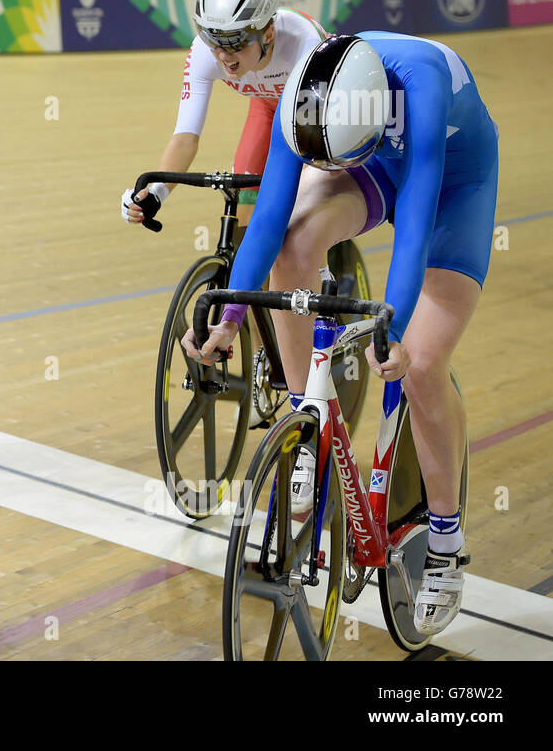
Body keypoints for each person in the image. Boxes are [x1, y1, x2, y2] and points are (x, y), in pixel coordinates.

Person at [182, 31, 500, 637]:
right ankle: (307, 420)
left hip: (455, 179)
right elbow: (270, 217)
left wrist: (395, 330)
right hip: (371, 158)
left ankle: (445, 542)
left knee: (424, 363)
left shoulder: (423, 83)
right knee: (298, 242)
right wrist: (229, 320)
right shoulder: (305, 89)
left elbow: (414, 225)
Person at [122, 0, 326, 233]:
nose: (224, 56)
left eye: (236, 42)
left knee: (303, 222)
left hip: (320, 116)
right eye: (214, 40)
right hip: (267, 109)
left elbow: (318, 135)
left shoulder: (303, 41)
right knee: (243, 222)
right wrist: (157, 193)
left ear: (268, 34)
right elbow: (185, 138)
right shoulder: (204, 53)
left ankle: (323, 271)